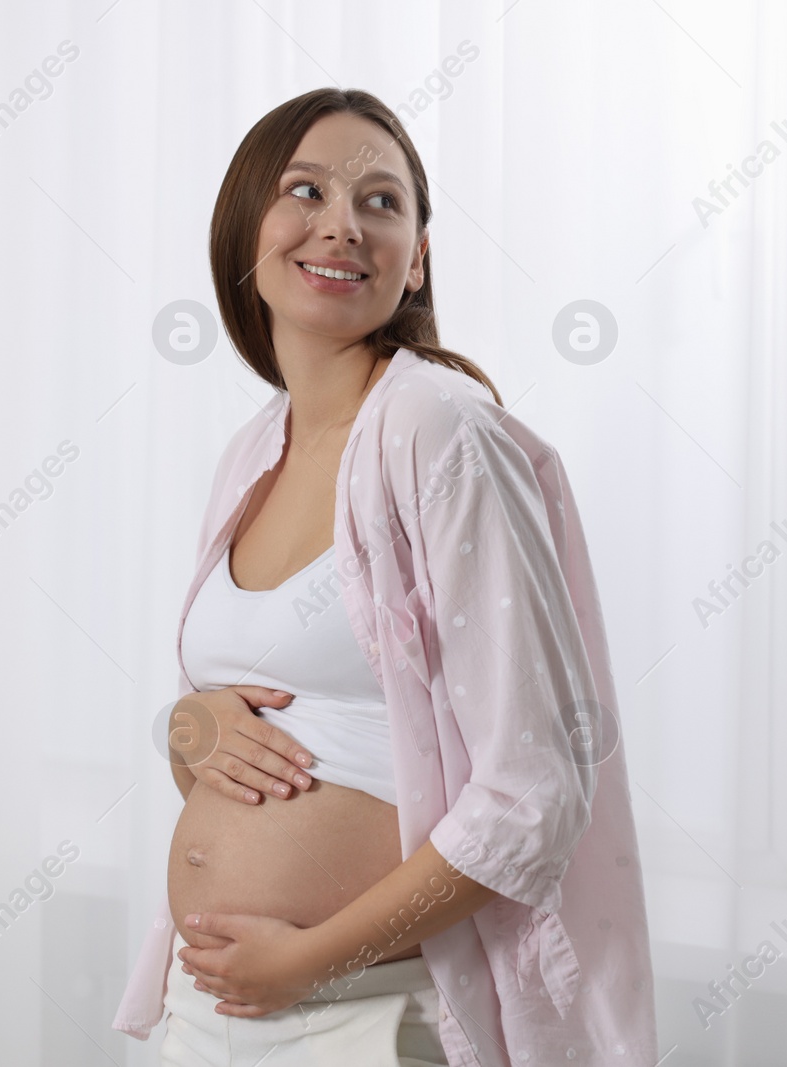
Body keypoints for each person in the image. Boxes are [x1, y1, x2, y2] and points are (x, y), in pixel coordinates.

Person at [111, 87, 660, 1066]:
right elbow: (271, 725)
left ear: (418, 257)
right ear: (248, 224)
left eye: (381, 202)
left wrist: (309, 958)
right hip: (210, 1013)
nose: (342, 224)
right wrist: (187, 730)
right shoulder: (251, 451)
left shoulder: (434, 428)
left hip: (365, 1012)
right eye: (306, 190)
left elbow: (532, 788)